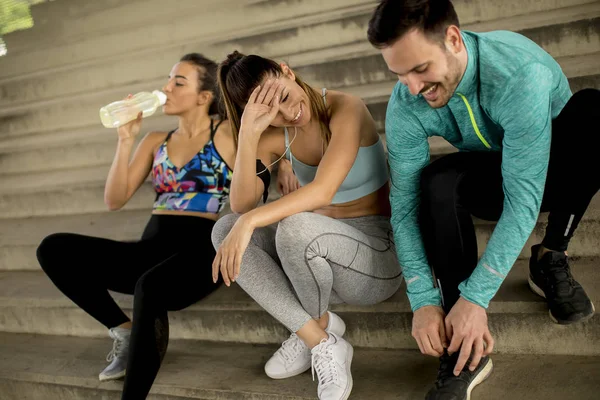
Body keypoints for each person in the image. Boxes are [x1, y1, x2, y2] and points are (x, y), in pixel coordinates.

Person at [367, 0, 599, 398]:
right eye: (399, 73)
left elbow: (524, 198)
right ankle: (464, 347)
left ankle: (550, 255)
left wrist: (479, 295)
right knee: (438, 181)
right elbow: (403, 212)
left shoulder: (518, 75)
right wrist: (423, 299)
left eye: (420, 69)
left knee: (595, 110)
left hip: (553, 169)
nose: (412, 88)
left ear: (453, 39)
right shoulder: (406, 102)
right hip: (490, 170)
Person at [36, 53, 237, 400]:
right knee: (53, 248)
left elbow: (274, 139)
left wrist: (286, 167)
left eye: (179, 82)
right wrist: (125, 138)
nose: (166, 88)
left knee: (150, 286)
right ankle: (124, 330)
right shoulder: (155, 140)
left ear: (205, 97)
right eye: (168, 79)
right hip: (152, 249)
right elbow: (114, 200)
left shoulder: (226, 133)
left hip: (200, 250)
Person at [211, 51, 402, 400]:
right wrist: (250, 134)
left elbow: (322, 191)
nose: (288, 114)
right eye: (272, 113)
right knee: (224, 229)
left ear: (287, 71)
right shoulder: (274, 135)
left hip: (375, 260)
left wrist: (251, 221)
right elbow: (241, 204)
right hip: (314, 269)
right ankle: (320, 337)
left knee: (295, 226)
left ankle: (307, 327)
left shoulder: (347, 109)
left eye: (284, 97)